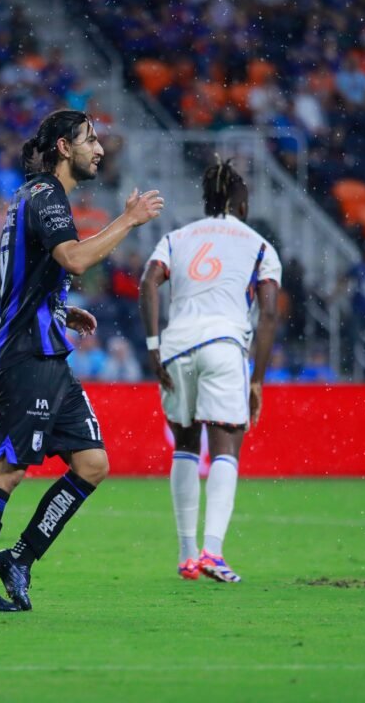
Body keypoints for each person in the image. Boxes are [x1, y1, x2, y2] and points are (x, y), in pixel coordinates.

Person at [0, 110, 164, 613]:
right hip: (25, 355)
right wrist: (128, 221)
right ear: (65, 148)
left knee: (92, 465)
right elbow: (72, 259)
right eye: (90, 140)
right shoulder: (46, 194)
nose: (99, 149)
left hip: (46, 349)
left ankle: (19, 559)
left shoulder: (29, 197)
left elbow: (2, 273)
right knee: (7, 470)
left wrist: (58, 310)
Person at [138, 156, 281, 584]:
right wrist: (257, 379)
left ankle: (186, 555)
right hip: (223, 346)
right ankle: (213, 553)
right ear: (240, 205)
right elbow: (269, 313)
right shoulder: (259, 245)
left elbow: (148, 282)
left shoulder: (176, 238)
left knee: (184, 444)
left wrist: (153, 347)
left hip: (178, 347)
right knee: (225, 450)